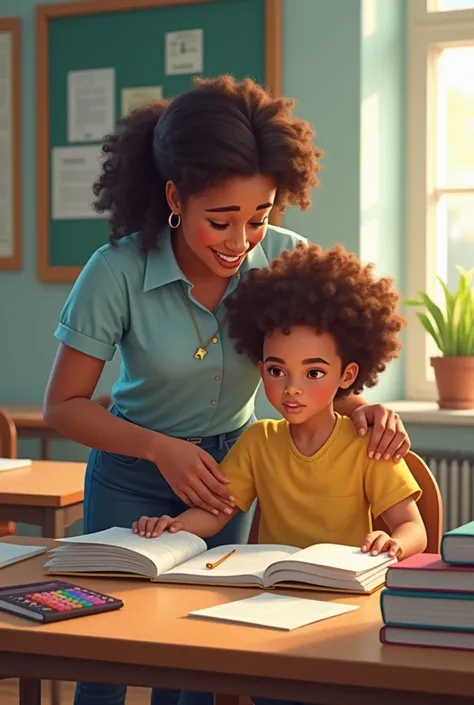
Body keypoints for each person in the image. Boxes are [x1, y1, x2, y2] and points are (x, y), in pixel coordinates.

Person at [43, 76, 412, 705]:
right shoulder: (117, 271)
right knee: (103, 651)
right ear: (174, 197)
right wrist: (162, 449)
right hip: (130, 475)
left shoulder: (286, 258)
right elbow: (63, 407)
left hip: (230, 477)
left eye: (259, 219)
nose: (241, 243)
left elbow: (315, 371)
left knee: (198, 656)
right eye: (221, 221)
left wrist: (364, 408)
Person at [133, 243, 427, 705]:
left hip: (344, 609)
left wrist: (394, 545)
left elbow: (413, 528)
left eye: (314, 372)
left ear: (347, 374)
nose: (291, 388)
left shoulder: (366, 446)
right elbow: (215, 512)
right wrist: (173, 527)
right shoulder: (258, 441)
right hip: (271, 608)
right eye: (276, 370)